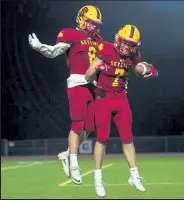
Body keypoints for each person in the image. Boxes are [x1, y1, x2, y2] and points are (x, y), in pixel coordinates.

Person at [28, 5, 103, 184]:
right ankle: (74, 164)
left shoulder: (99, 40)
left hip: (94, 85)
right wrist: (39, 47)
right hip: (77, 82)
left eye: (97, 24)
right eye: (92, 23)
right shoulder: (72, 34)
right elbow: (54, 52)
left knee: (90, 128)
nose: (95, 27)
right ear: (82, 19)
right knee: (77, 124)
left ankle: (67, 155)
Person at [85, 24, 158, 197]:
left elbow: (137, 68)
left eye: (131, 44)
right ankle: (98, 179)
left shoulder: (134, 56)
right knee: (102, 138)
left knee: (128, 138)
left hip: (121, 99)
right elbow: (87, 75)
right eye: (125, 42)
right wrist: (96, 69)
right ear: (118, 39)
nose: (127, 47)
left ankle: (134, 176)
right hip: (103, 97)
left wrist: (145, 69)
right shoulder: (106, 49)